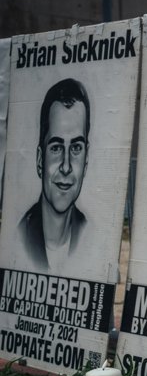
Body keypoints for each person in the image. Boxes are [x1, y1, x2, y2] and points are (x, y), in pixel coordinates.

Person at [18, 79, 90, 271]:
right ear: (41, 160)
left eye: (76, 148)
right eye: (56, 147)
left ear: (86, 158)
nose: (66, 167)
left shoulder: (92, 236)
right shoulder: (18, 237)